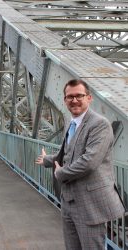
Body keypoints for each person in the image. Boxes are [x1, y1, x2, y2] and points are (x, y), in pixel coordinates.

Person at [35, 79, 125, 250]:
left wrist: (60, 173)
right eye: (70, 97)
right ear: (64, 100)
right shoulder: (71, 123)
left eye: (79, 96)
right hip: (68, 200)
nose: (74, 100)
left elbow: (89, 162)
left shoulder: (99, 124)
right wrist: (48, 160)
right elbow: (68, 155)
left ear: (89, 98)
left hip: (90, 204)